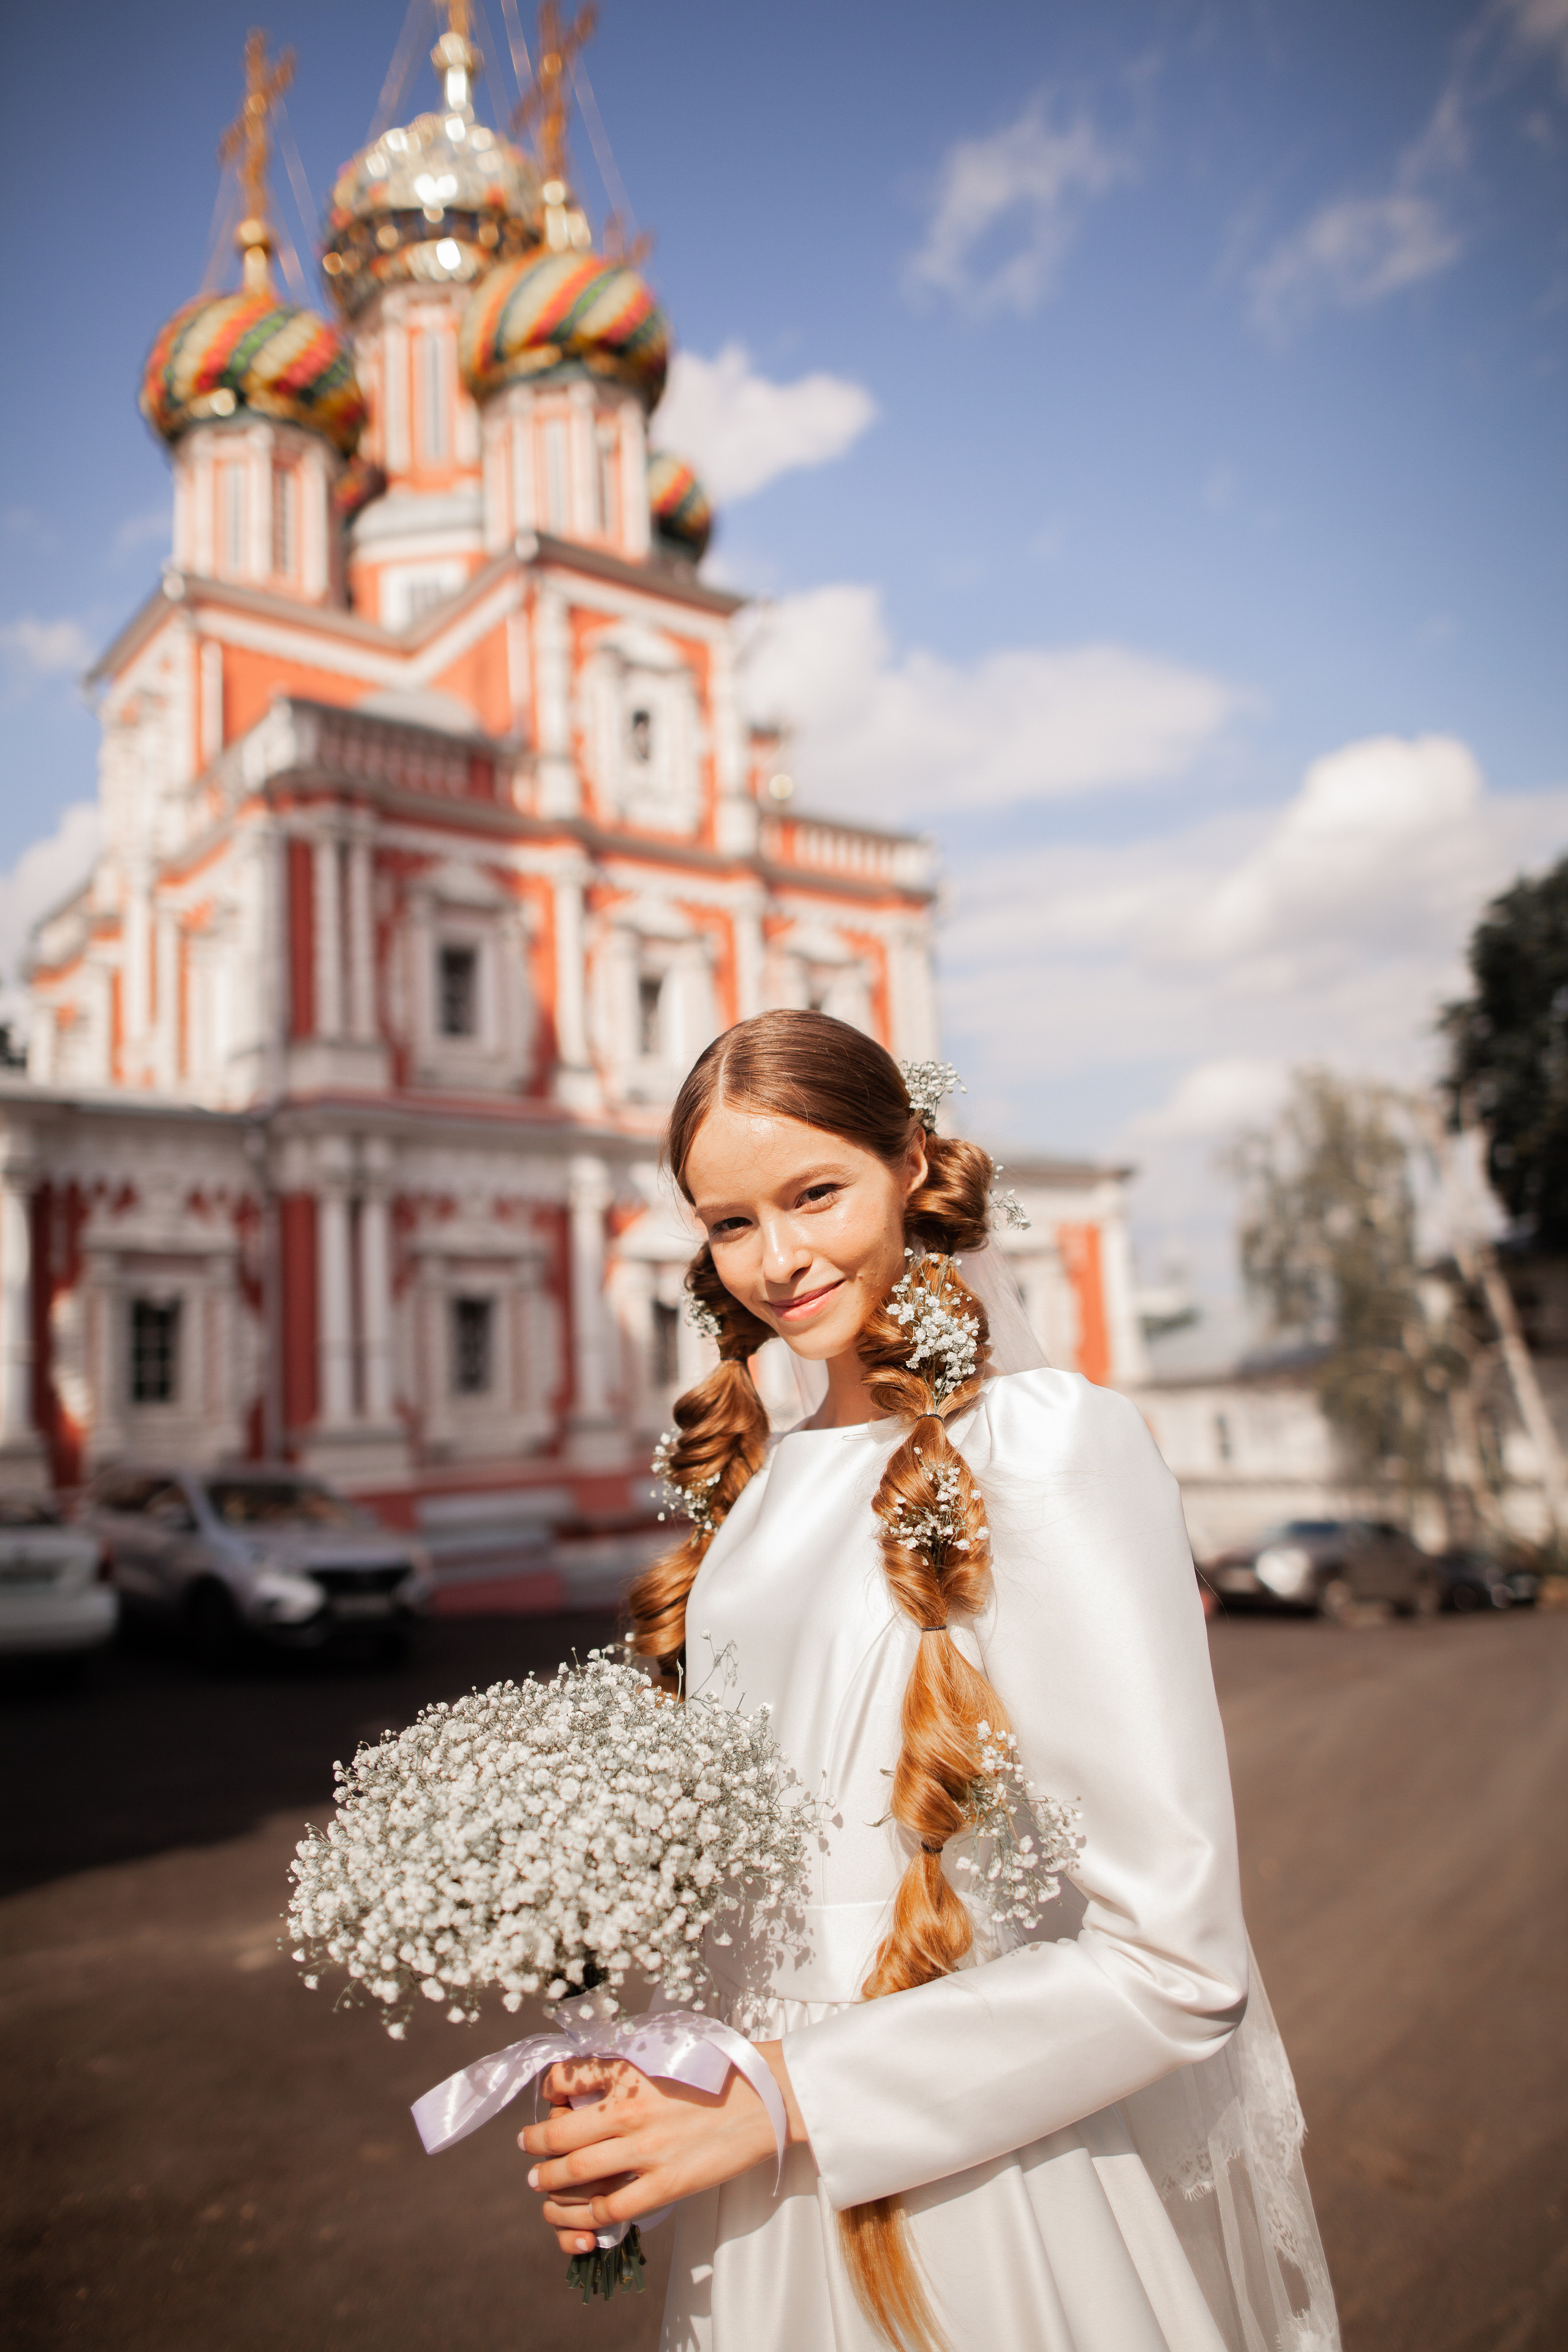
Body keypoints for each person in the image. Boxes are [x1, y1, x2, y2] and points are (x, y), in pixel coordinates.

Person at [521, 1011, 1339, 2352]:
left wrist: (788, 2099)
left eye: (814, 1195)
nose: (776, 1261)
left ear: (910, 1166)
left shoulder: (1042, 1447)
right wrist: (644, 2081)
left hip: (969, 2184)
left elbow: (1175, 1963)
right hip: (749, 2199)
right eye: (728, 1225)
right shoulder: (760, 1485)